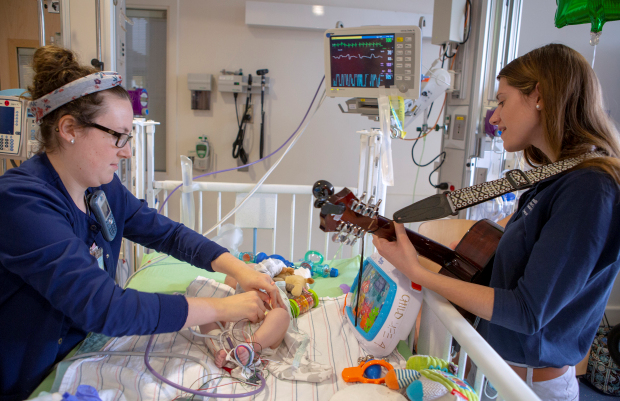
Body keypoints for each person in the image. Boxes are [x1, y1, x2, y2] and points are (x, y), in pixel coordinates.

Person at [0, 45, 285, 401]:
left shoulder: (101, 190)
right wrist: (223, 308)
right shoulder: (21, 204)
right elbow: (105, 307)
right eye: (117, 136)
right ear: (69, 128)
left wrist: (238, 269)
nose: (127, 151)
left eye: (129, 138)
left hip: (78, 356)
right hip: (24, 380)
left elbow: (168, 234)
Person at [373, 43, 620, 401]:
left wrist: (419, 272)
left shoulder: (589, 188)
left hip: (527, 387)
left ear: (540, 96)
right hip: (496, 371)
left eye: (502, 101)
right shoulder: (557, 179)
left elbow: (526, 311)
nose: (494, 118)